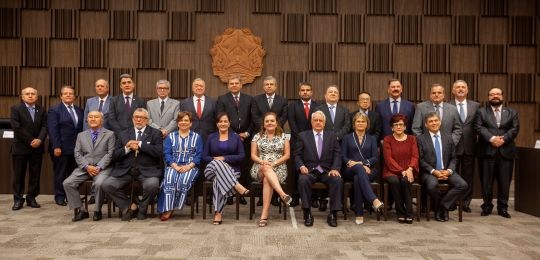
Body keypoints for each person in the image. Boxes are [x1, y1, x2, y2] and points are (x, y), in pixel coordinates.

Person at [102, 108, 163, 221]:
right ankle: (130, 207)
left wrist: (140, 144)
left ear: (147, 120)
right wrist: (127, 148)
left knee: (152, 185)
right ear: (132, 119)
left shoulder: (155, 133)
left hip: (147, 171)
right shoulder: (123, 133)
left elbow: (158, 152)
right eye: (136, 117)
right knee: (107, 184)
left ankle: (142, 210)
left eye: (142, 118)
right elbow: (114, 155)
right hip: (125, 170)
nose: (139, 120)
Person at [475, 88, 519, 218]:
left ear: (502, 96)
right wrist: (492, 139)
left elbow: (515, 128)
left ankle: (503, 208)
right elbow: (478, 127)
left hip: (506, 152)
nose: (495, 96)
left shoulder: (512, 112)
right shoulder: (481, 112)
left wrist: (503, 139)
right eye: (492, 94)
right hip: (487, 151)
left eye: (498, 94)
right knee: (486, 182)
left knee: (505, 182)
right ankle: (487, 206)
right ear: (488, 97)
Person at [62, 111, 115, 221]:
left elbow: (110, 153)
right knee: (67, 183)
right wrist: (86, 166)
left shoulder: (110, 134)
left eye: (96, 117)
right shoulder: (81, 135)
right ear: (87, 120)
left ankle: (97, 210)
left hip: (102, 168)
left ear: (102, 120)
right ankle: (82, 210)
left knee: (99, 183)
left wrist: (99, 167)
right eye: (90, 117)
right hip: (85, 167)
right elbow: (77, 153)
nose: (93, 119)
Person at [295, 111, 343, 227]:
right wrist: (301, 166)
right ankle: (307, 213)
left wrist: (335, 168)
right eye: (315, 120)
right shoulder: (303, 136)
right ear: (311, 122)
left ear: (324, 123)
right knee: (302, 180)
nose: (318, 122)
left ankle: (333, 214)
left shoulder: (331, 136)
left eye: (320, 120)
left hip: (327, 171)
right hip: (310, 170)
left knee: (337, 180)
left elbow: (337, 154)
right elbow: (297, 155)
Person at [417, 112, 468, 222]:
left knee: (463, 185)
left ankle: (442, 207)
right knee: (432, 185)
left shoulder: (448, 138)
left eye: (436, 121)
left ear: (440, 122)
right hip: (429, 172)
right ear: (426, 125)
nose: (434, 123)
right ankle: (442, 209)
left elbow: (454, 158)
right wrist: (433, 171)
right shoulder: (420, 139)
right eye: (430, 121)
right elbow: (420, 159)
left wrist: (449, 171)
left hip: (447, 171)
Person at [203, 112, 249, 225]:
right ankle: (237, 186)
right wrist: (217, 161)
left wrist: (224, 158)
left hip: (233, 171)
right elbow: (204, 157)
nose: (223, 123)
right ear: (217, 124)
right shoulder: (211, 137)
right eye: (220, 121)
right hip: (211, 170)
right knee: (217, 163)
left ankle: (218, 213)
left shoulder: (236, 137)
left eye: (225, 121)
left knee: (219, 180)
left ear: (229, 123)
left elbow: (241, 156)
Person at [157, 111, 203, 221]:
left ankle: (172, 207)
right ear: (177, 123)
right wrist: (175, 166)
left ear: (191, 123)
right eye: (181, 120)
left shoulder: (197, 137)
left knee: (183, 180)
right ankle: (168, 208)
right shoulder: (170, 137)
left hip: (191, 167)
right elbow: (167, 154)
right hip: (173, 165)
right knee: (169, 179)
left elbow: (199, 155)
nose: (183, 122)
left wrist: (189, 166)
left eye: (186, 120)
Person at [216, 75, 253, 205]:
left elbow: (253, 119)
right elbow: (221, 119)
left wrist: (247, 133)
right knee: (229, 165)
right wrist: (234, 135)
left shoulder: (249, 99)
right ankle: (230, 194)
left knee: (244, 165)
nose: (234, 85)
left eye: (236, 83)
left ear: (241, 85)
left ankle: (241, 195)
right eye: (231, 83)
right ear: (228, 85)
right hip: (229, 138)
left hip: (246, 139)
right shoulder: (222, 99)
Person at [250, 112, 292, 227]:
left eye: (272, 121)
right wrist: (263, 162)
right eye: (267, 121)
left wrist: (274, 163)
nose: (269, 123)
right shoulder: (257, 136)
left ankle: (264, 214)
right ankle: (283, 194)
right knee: (265, 168)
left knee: (267, 179)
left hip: (279, 168)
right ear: (263, 124)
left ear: (276, 123)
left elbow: (287, 155)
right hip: (259, 167)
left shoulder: (284, 136)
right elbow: (253, 155)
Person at [341, 112, 384, 225]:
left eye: (363, 121)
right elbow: (343, 156)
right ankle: (374, 199)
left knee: (357, 178)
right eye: (358, 121)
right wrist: (354, 163)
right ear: (354, 124)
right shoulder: (347, 137)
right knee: (358, 170)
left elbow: (375, 157)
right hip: (350, 169)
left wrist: (364, 164)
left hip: (369, 169)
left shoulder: (372, 139)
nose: (360, 123)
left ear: (367, 124)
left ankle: (359, 213)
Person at [10, 87, 47, 210]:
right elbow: (16, 127)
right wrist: (31, 140)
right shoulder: (16, 109)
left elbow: (45, 126)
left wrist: (40, 139)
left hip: (37, 148)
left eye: (33, 94)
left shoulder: (41, 110)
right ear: (22, 96)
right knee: (18, 175)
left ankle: (31, 198)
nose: (30, 96)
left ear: (37, 97)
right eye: (27, 94)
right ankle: (18, 199)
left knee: (35, 175)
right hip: (21, 147)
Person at [47, 85, 84, 206]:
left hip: (76, 149)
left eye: (71, 93)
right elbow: (53, 130)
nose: (68, 95)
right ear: (61, 96)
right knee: (60, 173)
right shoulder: (55, 110)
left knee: (73, 173)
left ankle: (71, 196)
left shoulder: (79, 110)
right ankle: (60, 196)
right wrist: (56, 146)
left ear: (74, 96)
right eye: (65, 93)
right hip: (61, 148)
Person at [315, 85, 349, 211]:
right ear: (325, 95)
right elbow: (317, 125)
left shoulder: (344, 110)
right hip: (322, 146)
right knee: (322, 170)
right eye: (330, 92)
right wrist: (329, 138)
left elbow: (347, 126)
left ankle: (338, 202)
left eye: (335, 92)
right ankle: (322, 200)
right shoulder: (319, 109)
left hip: (340, 146)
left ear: (338, 96)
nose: (333, 94)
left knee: (337, 172)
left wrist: (336, 137)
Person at [286, 82, 320, 207]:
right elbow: (292, 124)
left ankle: (314, 197)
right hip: (297, 142)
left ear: (311, 92)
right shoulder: (293, 106)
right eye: (303, 90)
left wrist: (310, 139)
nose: (305, 92)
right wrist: (303, 139)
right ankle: (295, 196)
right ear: (299, 92)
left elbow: (318, 124)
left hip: (315, 143)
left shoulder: (318, 106)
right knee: (297, 170)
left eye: (307, 90)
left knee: (315, 169)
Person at [449, 80, 480, 213]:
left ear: (467, 90)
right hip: (452, 147)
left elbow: (479, 125)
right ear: (453, 90)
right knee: (451, 174)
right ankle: (452, 202)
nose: (460, 89)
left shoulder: (476, 106)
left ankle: (465, 203)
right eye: (457, 87)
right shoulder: (447, 105)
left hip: (469, 146)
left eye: (463, 87)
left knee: (468, 176)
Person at [382, 114, 419, 224]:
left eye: (401, 124)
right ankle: (400, 212)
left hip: (409, 170)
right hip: (391, 170)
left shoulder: (412, 139)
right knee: (394, 181)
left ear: (405, 127)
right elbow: (389, 159)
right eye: (396, 124)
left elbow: (415, 156)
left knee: (405, 180)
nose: (398, 127)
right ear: (391, 128)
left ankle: (409, 213)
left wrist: (410, 169)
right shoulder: (387, 139)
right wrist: (402, 171)